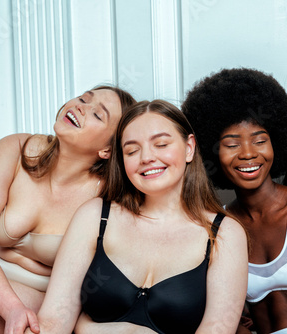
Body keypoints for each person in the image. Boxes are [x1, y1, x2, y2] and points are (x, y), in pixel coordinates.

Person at [28, 100, 248, 334]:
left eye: (161, 144)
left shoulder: (225, 234)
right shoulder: (95, 217)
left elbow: (217, 329)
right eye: (132, 150)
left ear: (189, 148)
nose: (146, 158)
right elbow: (53, 320)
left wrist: (93, 328)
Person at [182, 68, 287, 334]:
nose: (248, 153)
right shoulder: (221, 226)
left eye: (260, 140)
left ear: (277, 142)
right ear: (213, 153)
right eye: (231, 144)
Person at [0, 85, 135, 333]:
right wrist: (12, 309)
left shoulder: (107, 200)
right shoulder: (14, 150)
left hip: (43, 302)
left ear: (107, 150)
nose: (81, 107)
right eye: (83, 98)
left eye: (97, 114)